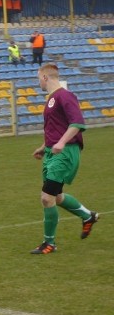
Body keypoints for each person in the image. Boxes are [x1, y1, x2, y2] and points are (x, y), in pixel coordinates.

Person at [30, 63, 99, 254]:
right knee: (56, 196)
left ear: (45, 77)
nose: (38, 82)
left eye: (38, 78)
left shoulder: (65, 96)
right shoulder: (51, 99)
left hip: (65, 152)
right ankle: (88, 216)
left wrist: (60, 143)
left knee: (46, 197)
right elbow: (56, 127)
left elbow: (77, 123)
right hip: (53, 153)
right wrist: (44, 147)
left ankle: (49, 243)